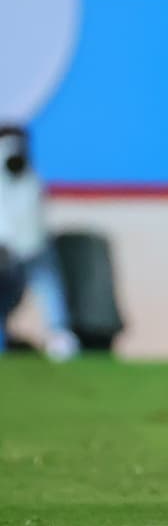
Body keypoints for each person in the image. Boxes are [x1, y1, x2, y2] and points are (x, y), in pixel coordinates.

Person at [0, 126, 79, 361]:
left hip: (32, 251)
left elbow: (31, 220)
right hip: (4, 255)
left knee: (48, 287)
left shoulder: (32, 180)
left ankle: (59, 334)